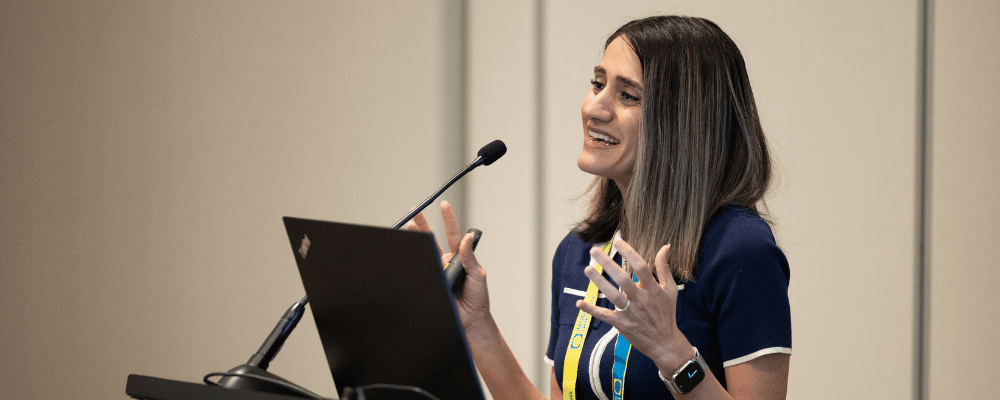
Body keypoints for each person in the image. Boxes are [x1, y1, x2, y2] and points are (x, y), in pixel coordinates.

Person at [408, 15, 791, 400]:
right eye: (597, 84)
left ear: (685, 122)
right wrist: (476, 324)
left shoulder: (739, 250)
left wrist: (671, 353)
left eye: (628, 95)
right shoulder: (577, 252)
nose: (595, 107)